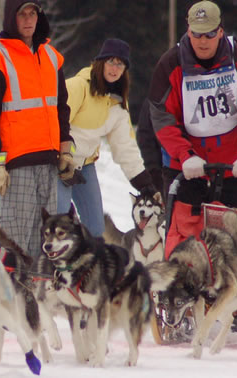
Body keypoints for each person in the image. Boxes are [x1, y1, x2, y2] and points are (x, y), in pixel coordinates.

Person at [148, 0, 237, 257]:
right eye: (197, 34)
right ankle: (184, 291)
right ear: (188, 31)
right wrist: (184, 154)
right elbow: (162, 116)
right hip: (188, 166)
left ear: (221, 32)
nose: (203, 41)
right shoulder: (170, 64)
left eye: (210, 34)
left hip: (235, 166)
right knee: (185, 240)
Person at [0, 0, 72, 259]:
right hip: (15, 167)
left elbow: (61, 107)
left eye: (33, 13)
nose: (29, 20)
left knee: (46, 245)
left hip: (49, 164)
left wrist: (66, 149)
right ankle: (8, 297)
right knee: (12, 244)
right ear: (10, 18)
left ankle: (37, 298)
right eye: (22, 14)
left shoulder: (52, 57)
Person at [58, 38, 154, 237]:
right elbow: (56, 123)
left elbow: (124, 146)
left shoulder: (117, 102)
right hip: (58, 162)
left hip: (84, 165)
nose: (115, 68)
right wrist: (60, 157)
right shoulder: (78, 87)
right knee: (59, 224)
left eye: (120, 64)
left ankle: (87, 267)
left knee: (96, 230)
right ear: (100, 62)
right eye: (111, 61)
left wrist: (144, 184)